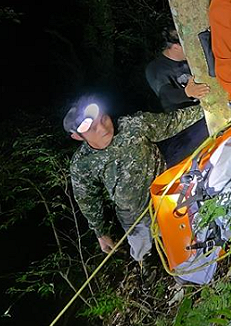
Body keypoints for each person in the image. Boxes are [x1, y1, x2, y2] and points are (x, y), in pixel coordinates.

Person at [66, 96, 203, 262]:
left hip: (166, 193)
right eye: (93, 128)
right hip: (135, 217)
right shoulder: (82, 164)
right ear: (78, 137)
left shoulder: (132, 125)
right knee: (143, 251)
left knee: (187, 239)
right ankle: (146, 268)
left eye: (104, 118)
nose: (103, 128)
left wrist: (212, 106)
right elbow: (87, 200)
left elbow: (173, 122)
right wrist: (100, 233)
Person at [145, 28, 210, 111]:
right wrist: (187, 93)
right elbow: (166, 95)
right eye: (188, 45)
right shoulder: (156, 68)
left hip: (207, 105)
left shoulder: (190, 59)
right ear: (176, 47)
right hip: (186, 116)